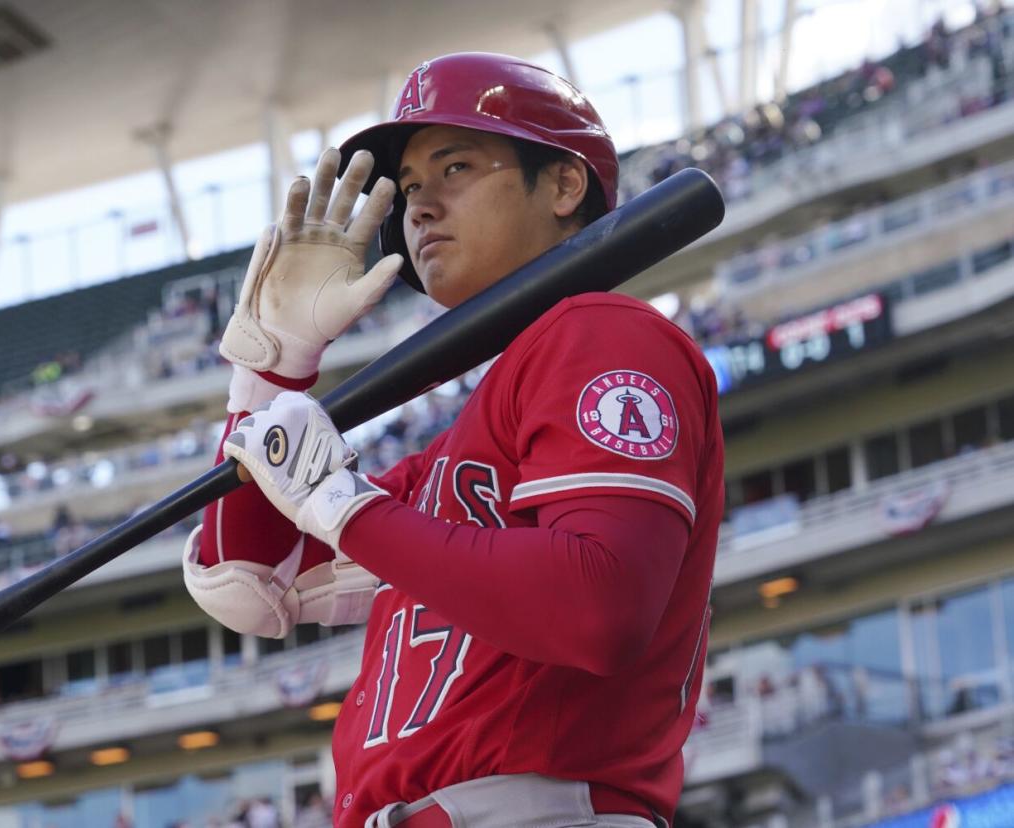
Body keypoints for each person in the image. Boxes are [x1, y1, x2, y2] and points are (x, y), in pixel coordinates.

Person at [182, 52, 723, 828]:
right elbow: (253, 576)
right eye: (408, 189)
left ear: (565, 185)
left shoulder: (603, 332)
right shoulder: (455, 448)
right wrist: (274, 369)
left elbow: (598, 602)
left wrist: (347, 507)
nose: (420, 206)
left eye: (457, 167)